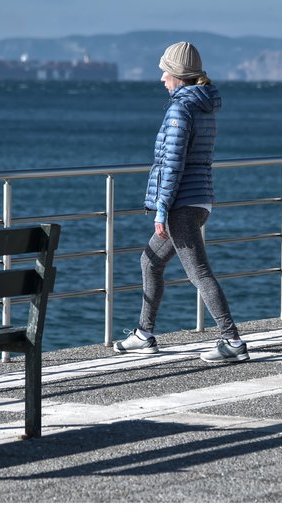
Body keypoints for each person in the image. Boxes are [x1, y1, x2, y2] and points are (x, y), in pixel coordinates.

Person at [114, 42, 249, 363]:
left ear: (178, 74)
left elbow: (173, 163)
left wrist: (161, 209)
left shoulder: (180, 109)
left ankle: (232, 341)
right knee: (150, 261)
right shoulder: (203, 106)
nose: (161, 77)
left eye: (165, 71)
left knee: (199, 273)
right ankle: (144, 334)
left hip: (181, 206)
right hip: (200, 200)